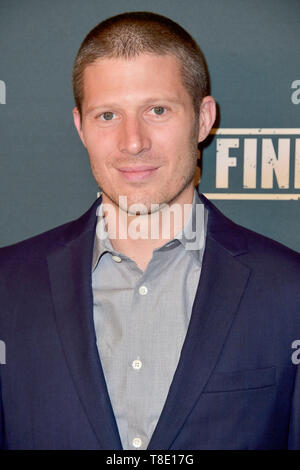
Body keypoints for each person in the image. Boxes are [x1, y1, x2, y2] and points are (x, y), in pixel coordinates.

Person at [0, 11, 300, 451]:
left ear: (203, 119)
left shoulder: (289, 291)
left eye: (157, 110)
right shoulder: (7, 286)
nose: (133, 141)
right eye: (108, 116)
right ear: (81, 127)